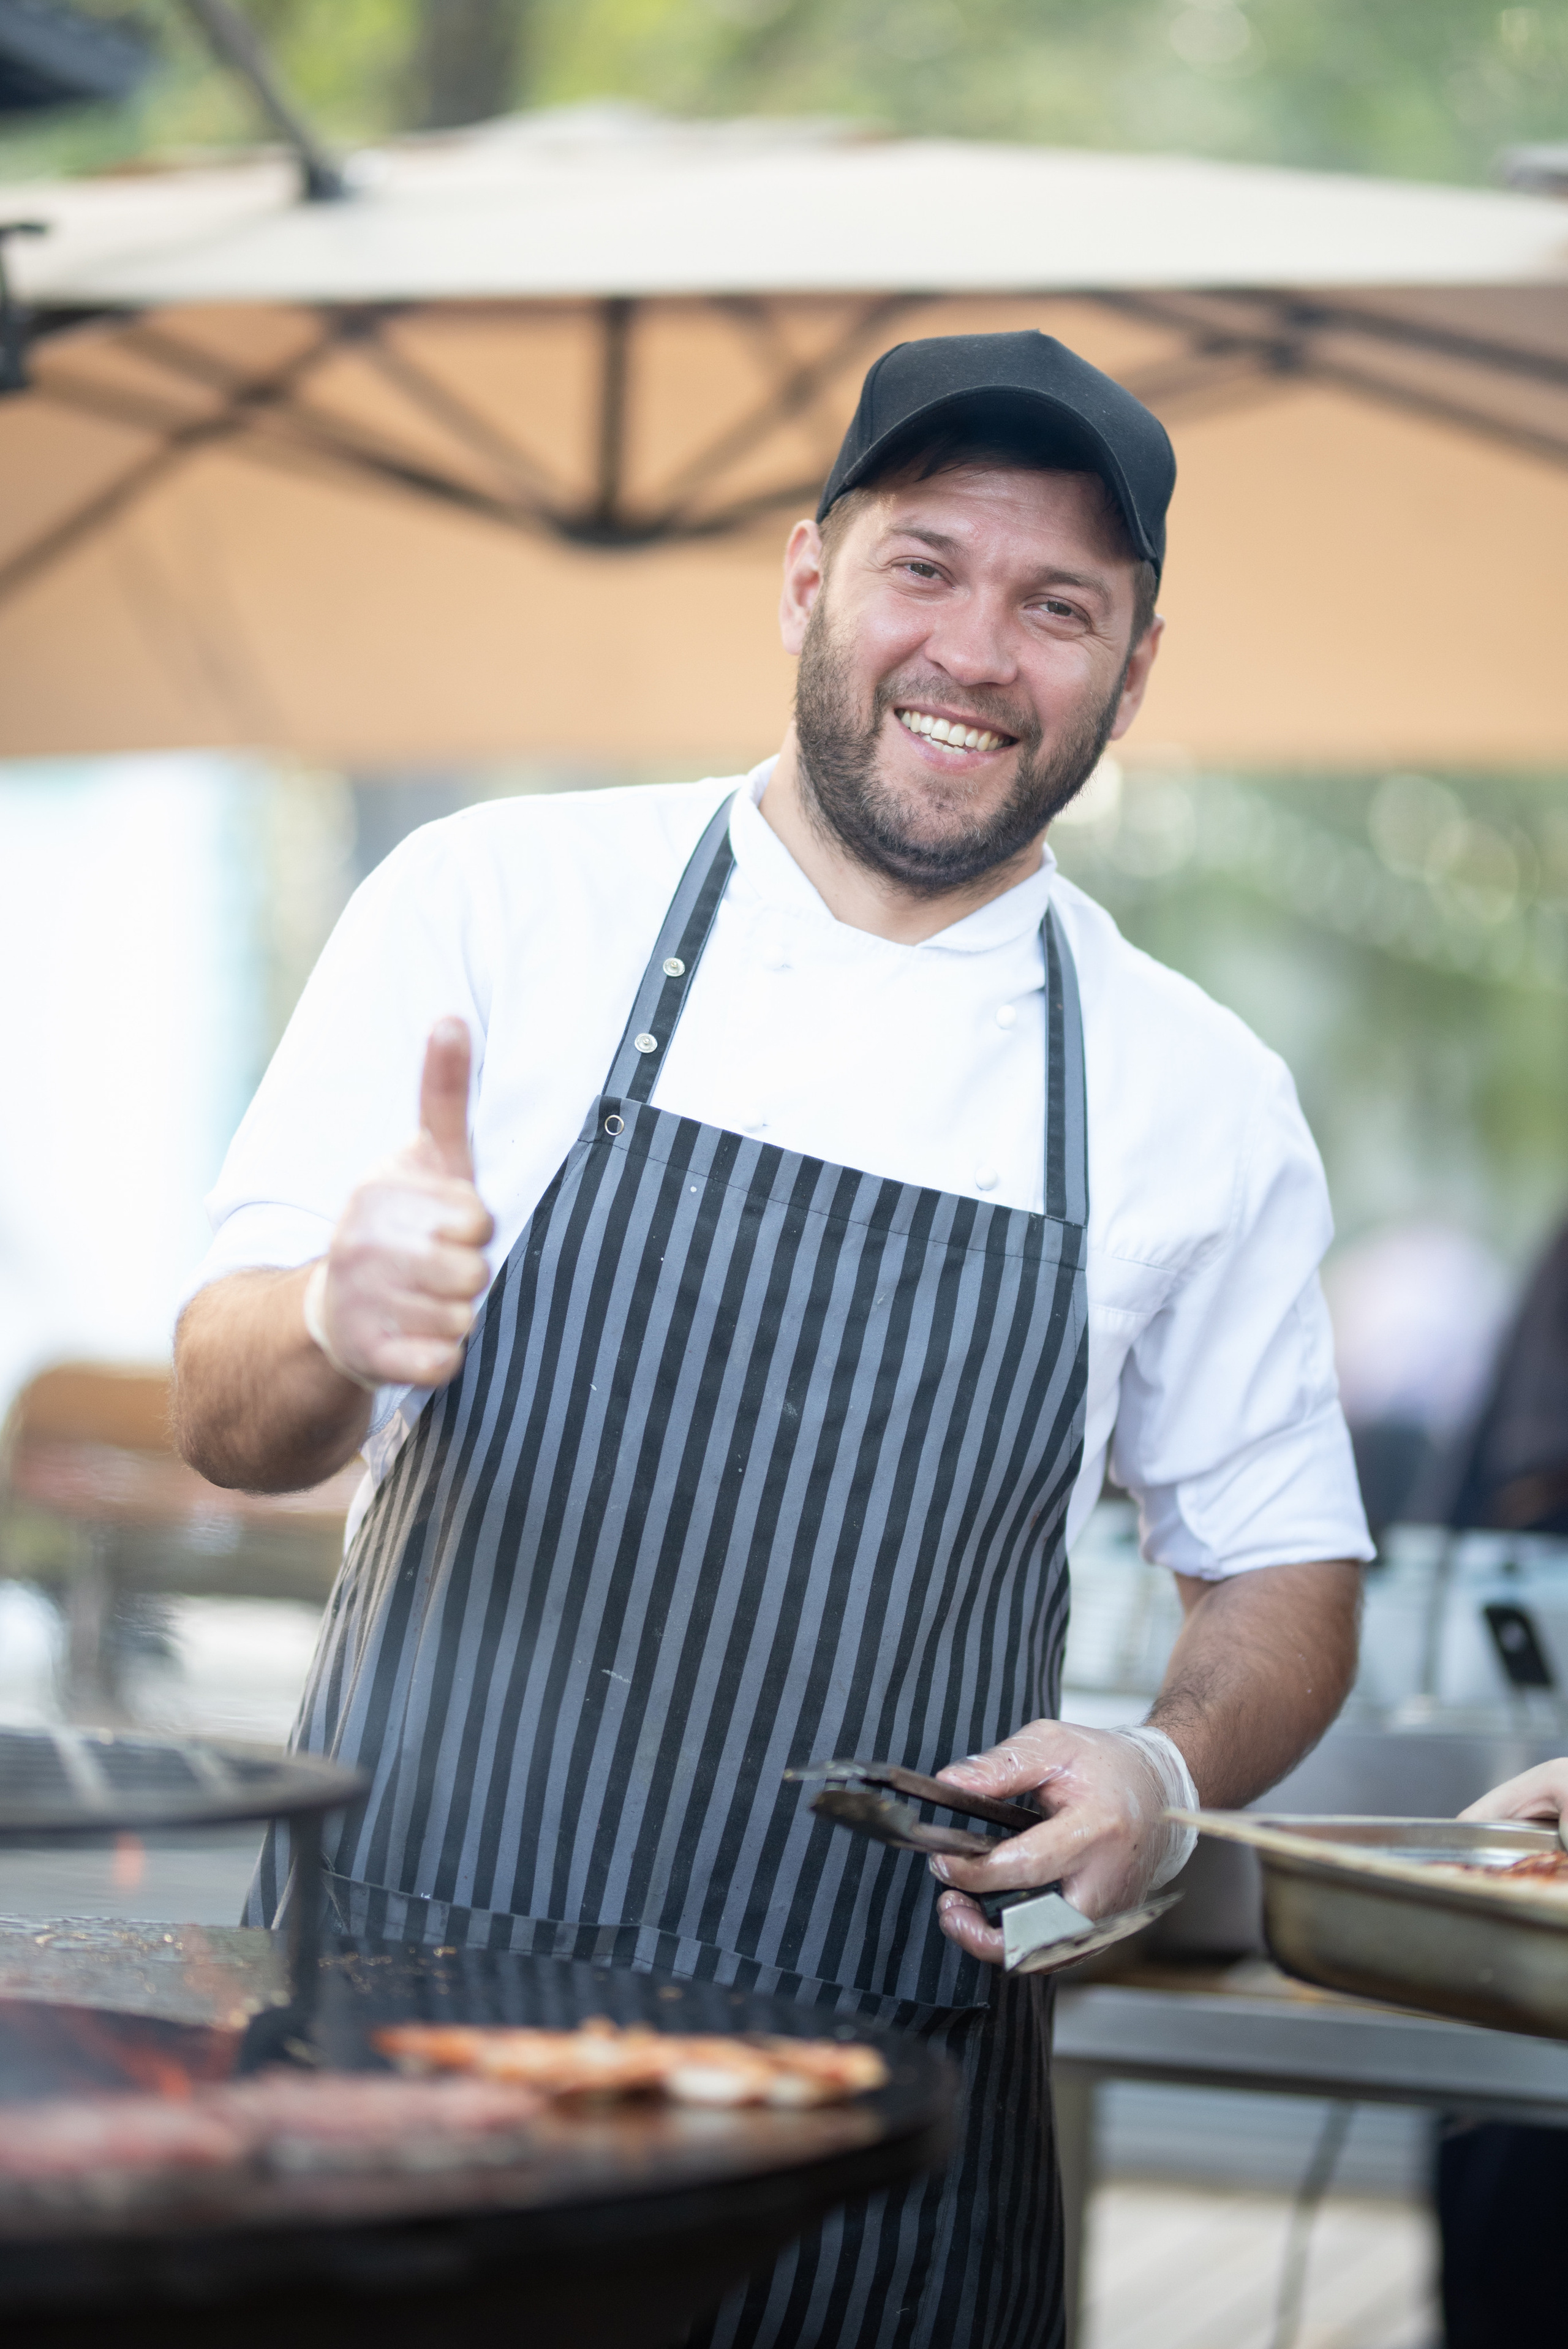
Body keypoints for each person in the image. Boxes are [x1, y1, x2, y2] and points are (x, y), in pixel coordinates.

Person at [172, 331, 1370, 2349]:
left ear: (1133, 669)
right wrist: (330, 1321)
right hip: (405, 2065)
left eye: (1055, 602)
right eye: (926, 565)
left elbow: (1288, 1574)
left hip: (884, 2132)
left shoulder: (1197, 1089)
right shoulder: (497, 905)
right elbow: (229, 1411)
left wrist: (1164, 1768)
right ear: (807, 575)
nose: (976, 651)